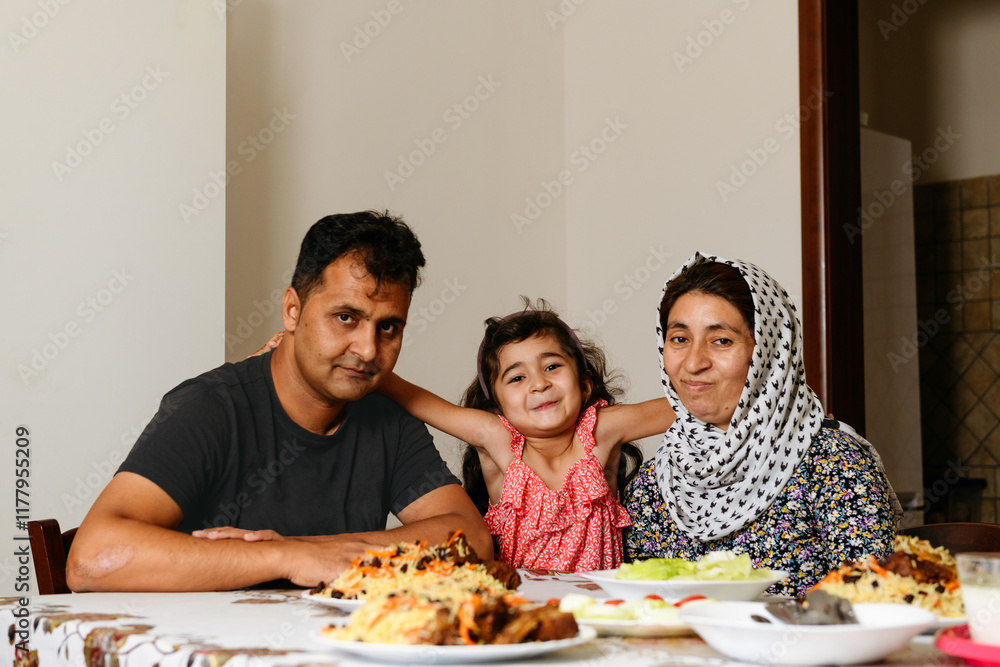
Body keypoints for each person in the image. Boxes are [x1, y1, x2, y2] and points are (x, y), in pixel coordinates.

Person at [66, 211, 491, 592]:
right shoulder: (211, 407)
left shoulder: (386, 419)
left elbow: (471, 537)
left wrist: (315, 549)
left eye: (389, 328)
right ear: (292, 310)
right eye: (346, 317)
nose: (366, 349)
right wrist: (286, 557)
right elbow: (91, 559)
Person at [623, 252, 901, 596]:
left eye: (721, 340)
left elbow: (872, 600)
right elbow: (637, 604)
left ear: (769, 351)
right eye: (679, 339)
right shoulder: (657, 482)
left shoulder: (833, 463)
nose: (693, 363)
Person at [376, 301, 675, 571]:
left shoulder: (601, 430)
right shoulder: (498, 441)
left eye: (552, 366)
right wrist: (368, 366)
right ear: (497, 405)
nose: (539, 384)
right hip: (520, 614)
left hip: (600, 610)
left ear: (584, 385)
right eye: (517, 377)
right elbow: (416, 400)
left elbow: (688, 406)